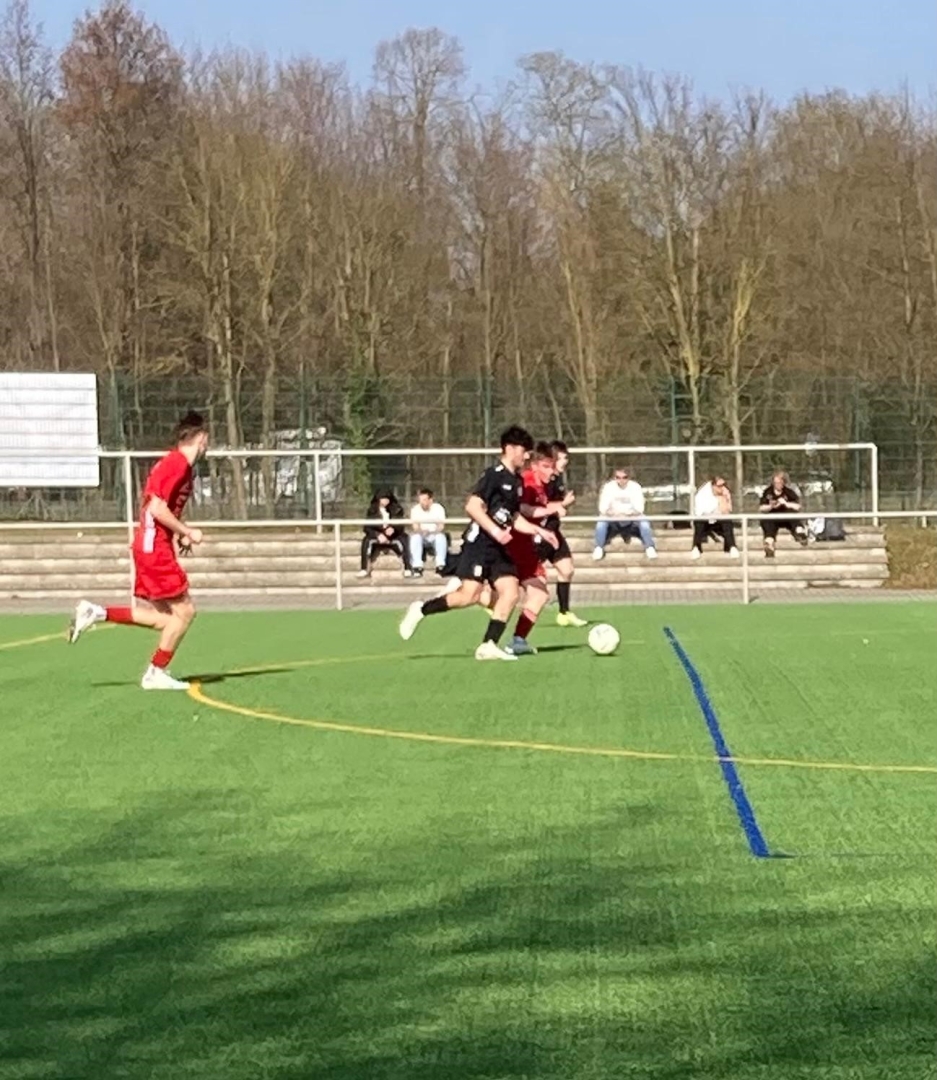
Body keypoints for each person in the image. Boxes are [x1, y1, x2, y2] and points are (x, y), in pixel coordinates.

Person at [67, 412, 209, 690]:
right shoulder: (178, 464)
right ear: (201, 439)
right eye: (207, 440)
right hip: (154, 547)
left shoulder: (174, 464)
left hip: (148, 544)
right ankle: (155, 672)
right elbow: (156, 507)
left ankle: (96, 612)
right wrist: (187, 531)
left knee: (167, 620)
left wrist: (179, 533)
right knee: (186, 612)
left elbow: (159, 507)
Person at [398, 426, 558, 660]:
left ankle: (488, 645)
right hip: (480, 544)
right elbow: (473, 506)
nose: (526, 456)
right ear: (510, 448)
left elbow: (513, 516)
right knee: (468, 596)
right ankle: (421, 609)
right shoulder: (493, 475)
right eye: (524, 451)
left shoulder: (516, 481)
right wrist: (495, 530)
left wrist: (539, 530)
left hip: (499, 548)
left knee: (510, 591)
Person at [503, 442, 568, 655]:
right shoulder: (527, 481)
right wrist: (552, 509)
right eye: (546, 467)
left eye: (552, 466)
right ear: (535, 465)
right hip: (512, 546)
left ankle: (518, 640)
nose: (551, 471)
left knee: (539, 594)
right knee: (498, 596)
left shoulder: (542, 485)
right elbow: (522, 509)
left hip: (526, 547)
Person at [542, 441, 587, 628]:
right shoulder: (543, 480)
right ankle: (491, 598)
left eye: (566, 458)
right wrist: (562, 505)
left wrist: (562, 507)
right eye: (562, 458)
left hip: (553, 532)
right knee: (524, 579)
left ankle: (564, 612)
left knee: (566, 569)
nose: (565, 461)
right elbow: (536, 507)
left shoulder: (558, 479)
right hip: (539, 534)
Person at [593, 468, 657, 560]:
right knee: (601, 522)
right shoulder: (608, 487)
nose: (621, 480)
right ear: (614, 478)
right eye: (618, 477)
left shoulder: (635, 487)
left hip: (631, 519)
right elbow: (602, 508)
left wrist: (626, 514)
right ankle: (598, 547)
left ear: (629, 478)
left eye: (624, 477)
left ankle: (649, 547)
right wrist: (614, 514)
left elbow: (640, 508)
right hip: (613, 519)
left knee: (644, 522)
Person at [359, 489, 410, 578]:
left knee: (405, 539)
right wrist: (377, 534)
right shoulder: (372, 510)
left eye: (387, 498)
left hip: (394, 535)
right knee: (366, 541)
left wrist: (393, 529)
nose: (385, 501)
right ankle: (364, 569)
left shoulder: (397, 509)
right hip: (378, 535)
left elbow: (400, 525)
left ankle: (408, 568)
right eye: (383, 498)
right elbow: (367, 527)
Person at [759, 471, 809, 557]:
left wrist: (785, 503)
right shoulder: (767, 492)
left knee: (793, 517)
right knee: (767, 521)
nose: (778, 485)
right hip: (773, 517)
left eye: (780, 483)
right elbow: (761, 508)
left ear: (783, 483)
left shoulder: (789, 492)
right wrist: (771, 506)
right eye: (776, 483)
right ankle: (769, 543)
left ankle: (800, 534)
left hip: (787, 516)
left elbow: (798, 507)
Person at [691, 476, 739, 559]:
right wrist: (716, 502)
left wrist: (725, 499)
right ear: (713, 486)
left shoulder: (724, 493)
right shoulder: (702, 495)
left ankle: (731, 547)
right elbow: (701, 512)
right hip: (705, 519)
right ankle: (696, 548)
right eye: (719, 486)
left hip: (718, 519)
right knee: (699, 524)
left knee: (727, 523)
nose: (722, 488)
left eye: (724, 485)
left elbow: (727, 511)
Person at [408, 488, 447, 576]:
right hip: (421, 534)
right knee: (415, 537)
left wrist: (433, 531)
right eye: (421, 500)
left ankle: (440, 565)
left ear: (430, 500)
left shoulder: (438, 508)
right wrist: (422, 531)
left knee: (441, 537)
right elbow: (415, 526)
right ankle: (417, 566)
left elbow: (441, 526)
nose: (422, 502)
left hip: (434, 534)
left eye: (424, 500)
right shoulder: (415, 509)